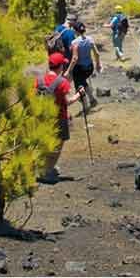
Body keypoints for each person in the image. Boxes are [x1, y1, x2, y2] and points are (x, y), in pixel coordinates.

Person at [38, 52, 83, 184]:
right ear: (60, 67)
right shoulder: (62, 82)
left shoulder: (40, 80)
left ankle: (43, 167)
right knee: (57, 145)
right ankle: (47, 171)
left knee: (45, 143)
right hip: (59, 118)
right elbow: (68, 101)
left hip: (43, 117)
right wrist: (79, 95)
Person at [67, 20, 101, 108]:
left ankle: (85, 107)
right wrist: (98, 65)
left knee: (79, 87)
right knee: (84, 83)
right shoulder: (90, 39)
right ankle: (92, 99)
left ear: (75, 31)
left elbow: (75, 59)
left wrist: (68, 70)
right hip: (90, 68)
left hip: (80, 69)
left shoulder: (75, 42)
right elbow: (97, 53)